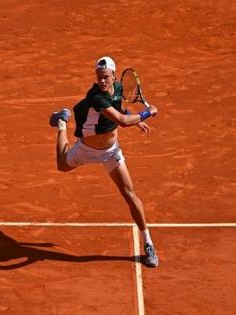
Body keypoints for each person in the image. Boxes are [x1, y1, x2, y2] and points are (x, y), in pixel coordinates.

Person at [49, 56, 159, 267]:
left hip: (110, 151)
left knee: (130, 194)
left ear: (114, 76)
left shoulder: (117, 88)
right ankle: (62, 122)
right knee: (61, 165)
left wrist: (137, 121)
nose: (102, 81)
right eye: (99, 77)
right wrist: (147, 113)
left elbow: (122, 110)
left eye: (106, 77)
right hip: (86, 148)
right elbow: (121, 121)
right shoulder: (95, 96)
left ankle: (148, 243)